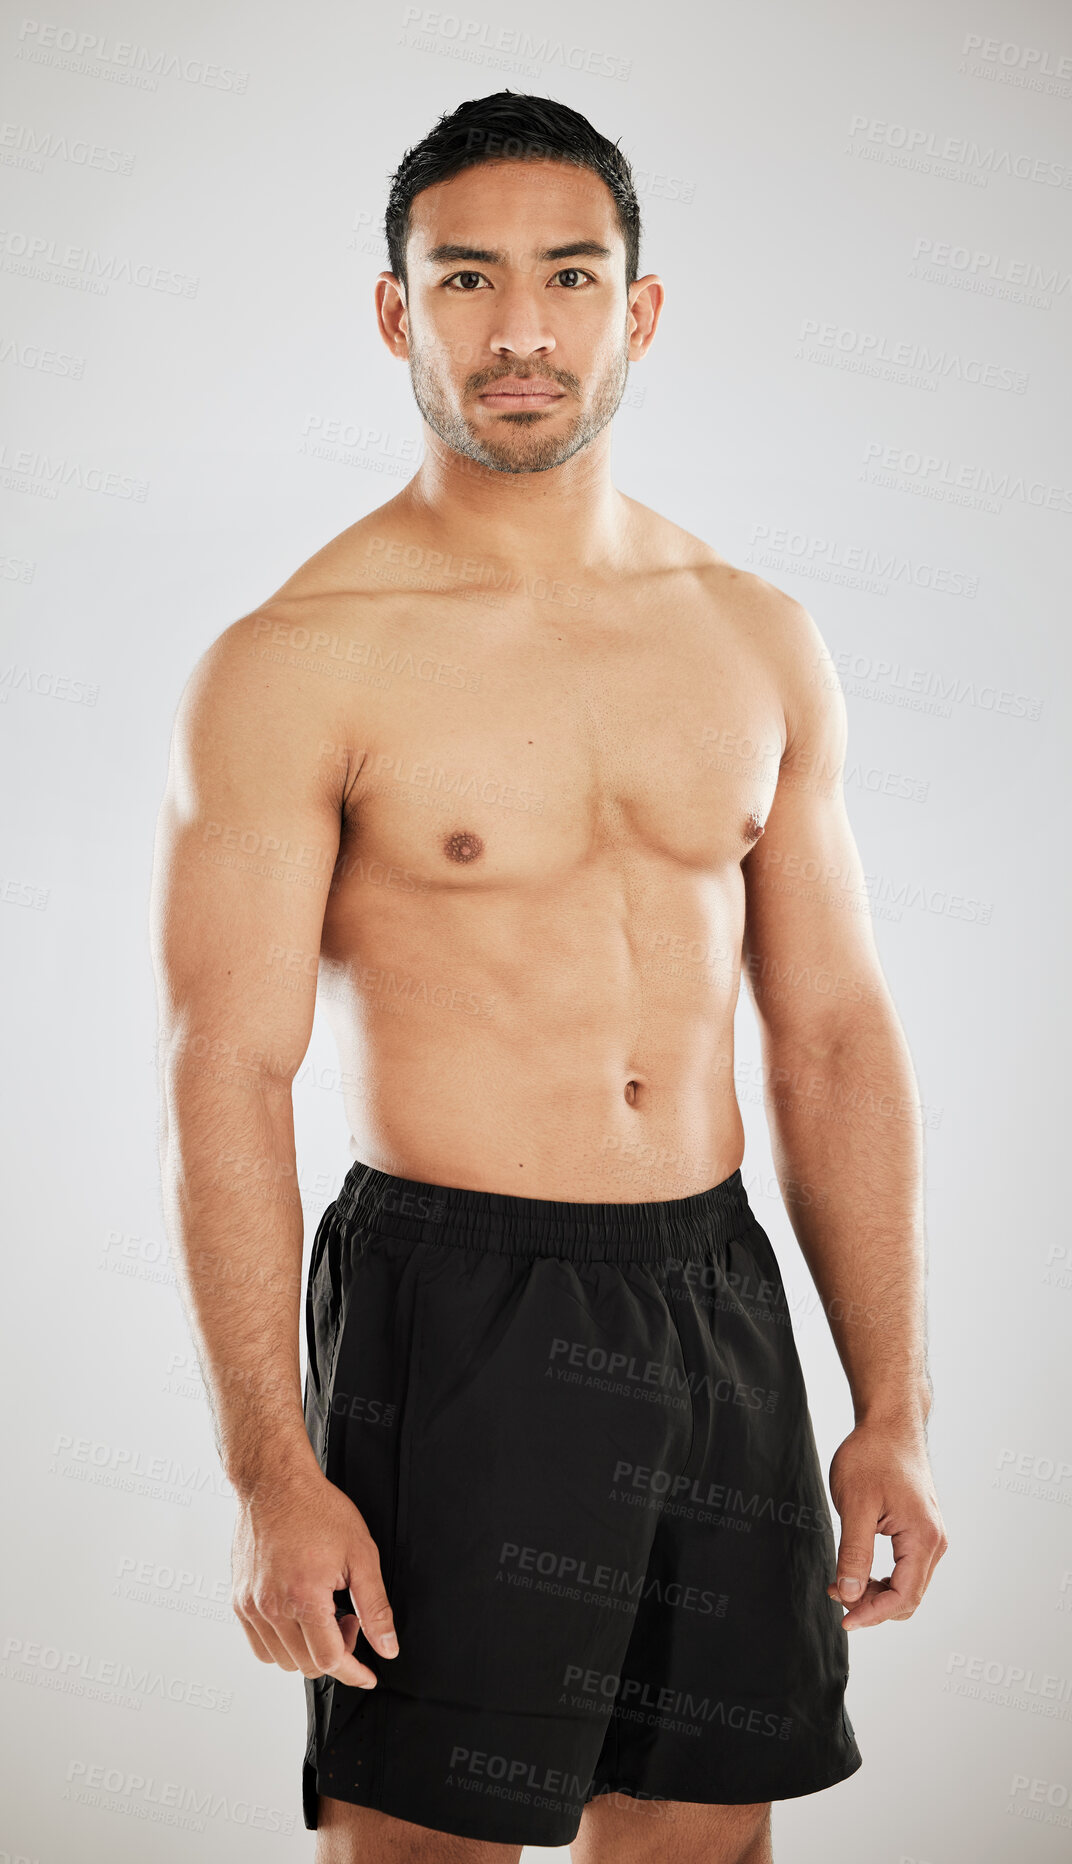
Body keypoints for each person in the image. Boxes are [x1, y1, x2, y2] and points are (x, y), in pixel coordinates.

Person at [150, 90, 948, 1864]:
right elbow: (227, 1069)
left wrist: (889, 1404)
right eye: (467, 280)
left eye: (570, 276)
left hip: (714, 1291)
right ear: (396, 310)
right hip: (456, 1310)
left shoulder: (752, 635)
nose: (520, 329)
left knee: (706, 1841)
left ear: (638, 309)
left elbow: (829, 1033)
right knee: (421, 1845)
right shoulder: (297, 661)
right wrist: (274, 1474)